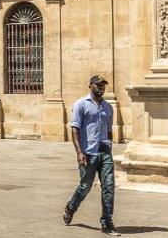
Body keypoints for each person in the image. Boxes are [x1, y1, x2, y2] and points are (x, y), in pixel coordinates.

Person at [62, 75, 119, 236]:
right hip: (87, 153)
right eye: (98, 85)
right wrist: (79, 152)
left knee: (108, 187)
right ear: (90, 86)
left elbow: (109, 130)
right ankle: (71, 207)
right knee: (85, 186)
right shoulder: (81, 104)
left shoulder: (108, 107)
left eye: (103, 86)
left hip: (105, 152)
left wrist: (109, 145)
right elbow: (75, 129)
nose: (101, 88)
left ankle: (107, 222)